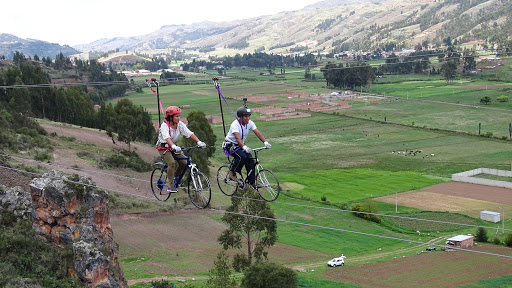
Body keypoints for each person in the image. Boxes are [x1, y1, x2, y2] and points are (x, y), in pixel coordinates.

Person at [156, 106, 206, 193]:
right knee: (171, 163)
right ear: (170, 117)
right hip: (163, 147)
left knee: (184, 163)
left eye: (179, 116)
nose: (179, 118)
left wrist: (199, 142)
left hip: (174, 146)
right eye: (176, 116)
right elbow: (167, 137)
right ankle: (170, 185)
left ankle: (174, 177)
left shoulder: (180, 124)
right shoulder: (165, 126)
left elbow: (189, 133)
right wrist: (173, 146)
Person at [223, 105, 271, 189]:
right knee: (242, 156)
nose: (247, 118)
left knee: (250, 159)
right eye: (245, 116)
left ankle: (252, 182)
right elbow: (237, 138)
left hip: (240, 145)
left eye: (248, 116)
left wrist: (265, 142)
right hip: (229, 145)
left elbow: (258, 133)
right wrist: (244, 147)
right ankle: (232, 172)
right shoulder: (235, 124)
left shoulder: (250, 123)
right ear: (240, 117)